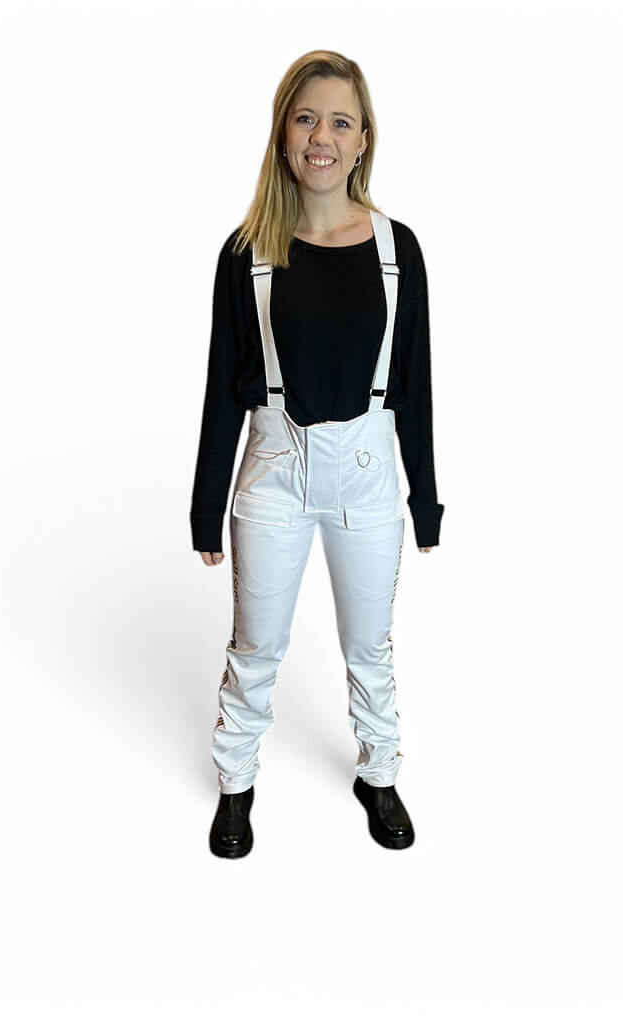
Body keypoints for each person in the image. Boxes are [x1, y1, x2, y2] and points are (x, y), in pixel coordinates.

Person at [190, 50, 444, 858]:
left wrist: (426, 501)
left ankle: (380, 772)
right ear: (283, 134)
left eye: (340, 121)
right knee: (256, 644)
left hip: (369, 478)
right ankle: (236, 781)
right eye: (306, 119)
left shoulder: (398, 250)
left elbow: (415, 385)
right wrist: (205, 507)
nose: (321, 137)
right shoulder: (247, 251)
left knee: (370, 645)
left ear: (364, 139)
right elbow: (222, 388)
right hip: (274, 474)